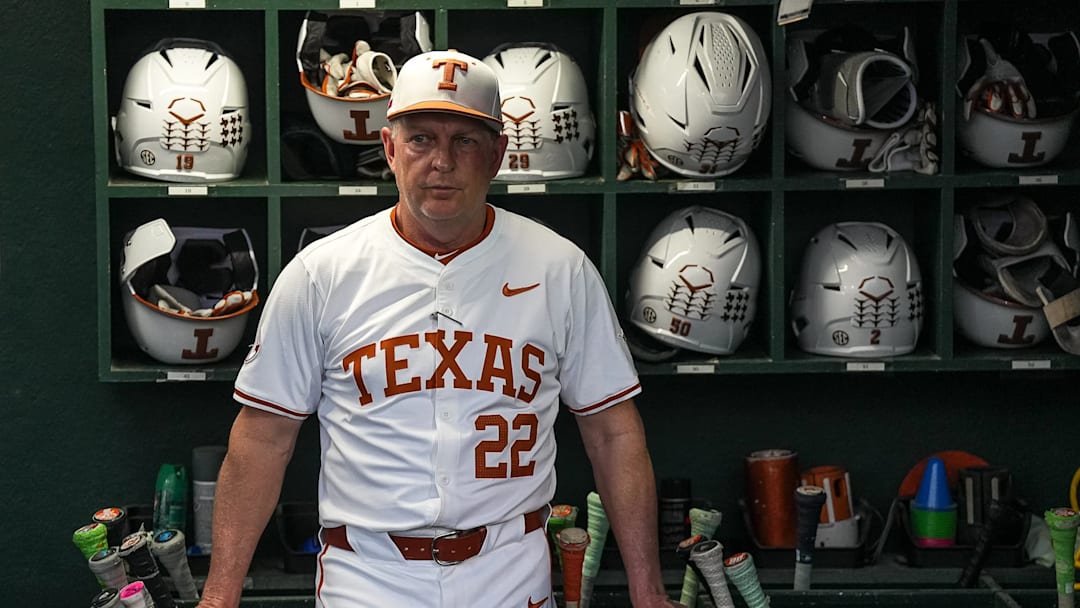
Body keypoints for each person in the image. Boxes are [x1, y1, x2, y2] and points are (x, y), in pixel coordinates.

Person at [197, 49, 681, 608]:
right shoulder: (321, 274)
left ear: (497, 154)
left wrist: (649, 591)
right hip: (369, 575)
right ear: (389, 148)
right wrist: (219, 597)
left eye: (465, 140)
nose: (442, 161)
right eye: (421, 137)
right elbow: (261, 440)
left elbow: (613, 433)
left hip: (508, 569)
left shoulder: (560, 269)